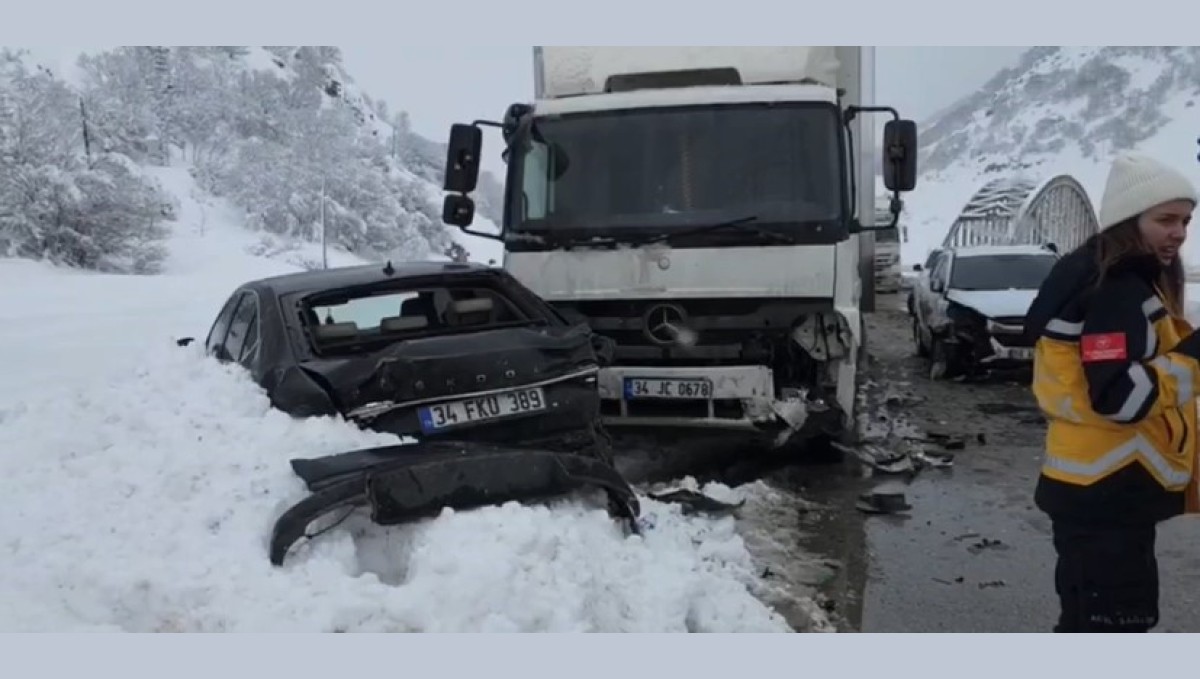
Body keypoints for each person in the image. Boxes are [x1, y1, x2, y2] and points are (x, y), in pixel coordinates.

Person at [1024, 151, 1200, 632]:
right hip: (1108, 498)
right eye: (1166, 219)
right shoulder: (1115, 290)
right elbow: (1119, 399)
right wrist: (1192, 359)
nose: (1179, 232)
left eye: (1186, 220)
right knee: (1112, 631)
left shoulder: (1098, 276)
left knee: (1089, 625)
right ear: (1129, 218)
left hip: (1099, 496)